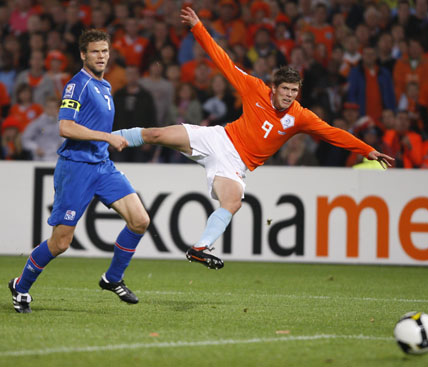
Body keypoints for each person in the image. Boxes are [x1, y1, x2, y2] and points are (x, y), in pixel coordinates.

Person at [113, 7, 393, 270]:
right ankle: (104, 139)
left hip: (236, 164)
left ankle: (199, 248)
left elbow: (333, 133)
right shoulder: (254, 88)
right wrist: (198, 27)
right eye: (285, 90)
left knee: (232, 203)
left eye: (294, 91)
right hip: (219, 138)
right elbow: (223, 61)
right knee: (157, 134)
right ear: (274, 87)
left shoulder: (300, 116)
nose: (289, 96)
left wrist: (368, 150)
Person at [8, 29, 150, 313]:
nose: (101, 56)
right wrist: (107, 137)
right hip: (76, 168)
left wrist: (113, 137)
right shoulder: (77, 85)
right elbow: (65, 127)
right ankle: (20, 286)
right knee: (61, 243)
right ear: (83, 55)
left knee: (140, 220)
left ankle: (112, 278)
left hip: (102, 166)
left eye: (105, 51)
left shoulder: (106, 86)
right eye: (96, 51)